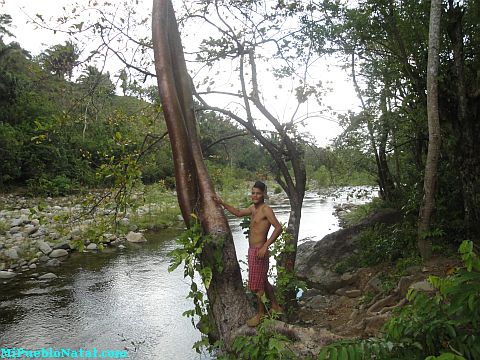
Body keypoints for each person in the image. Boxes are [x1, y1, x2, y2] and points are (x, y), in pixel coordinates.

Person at [213, 181, 283, 327]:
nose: (255, 196)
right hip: (252, 251)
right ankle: (275, 306)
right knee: (262, 280)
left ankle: (261, 315)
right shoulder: (253, 208)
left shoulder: (266, 210)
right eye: (253, 193)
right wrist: (222, 203)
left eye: (258, 193)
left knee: (258, 286)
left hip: (260, 251)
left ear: (264, 194)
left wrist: (265, 246)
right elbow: (238, 213)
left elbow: (278, 228)